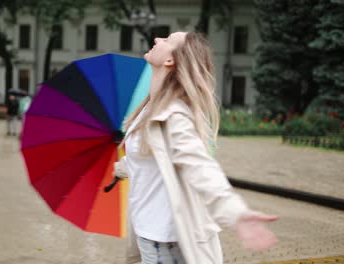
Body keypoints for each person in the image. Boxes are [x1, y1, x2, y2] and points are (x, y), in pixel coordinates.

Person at [114, 32, 278, 264]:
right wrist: (121, 168)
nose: (158, 39)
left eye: (167, 40)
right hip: (148, 234)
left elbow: (200, 167)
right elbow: (151, 157)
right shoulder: (149, 107)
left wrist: (235, 214)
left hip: (165, 240)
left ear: (170, 60)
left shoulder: (175, 115)